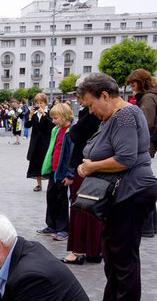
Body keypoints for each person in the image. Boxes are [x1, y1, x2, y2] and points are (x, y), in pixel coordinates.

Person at [76, 73, 157, 301]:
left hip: (132, 192)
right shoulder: (113, 116)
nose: (90, 111)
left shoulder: (124, 115)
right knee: (113, 254)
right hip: (123, 192)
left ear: (105, 96)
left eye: (91, 104)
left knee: (123, 256)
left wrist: (91, 167)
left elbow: (125, 158)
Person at [61, 97, 103, 264]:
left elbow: (76, 134)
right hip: (97, 166)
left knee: (80, 208)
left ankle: (78, 251)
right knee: (94, 209)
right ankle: (93, 250)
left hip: (85, 165)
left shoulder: (91, 113)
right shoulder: (107, 115)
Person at [127, 68, 157, 238]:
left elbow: (144, 124)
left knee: (142, 185)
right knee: (145, 183)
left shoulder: (148, 98)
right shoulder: (149, 96)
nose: (132, 88)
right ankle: (150, 226)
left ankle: (147, 226)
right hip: (147, 146)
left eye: (133, 84)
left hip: (144, 147)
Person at [38, 103, 74, 241]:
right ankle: (51, 225)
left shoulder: (70, 131)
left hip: (63, 171)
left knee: (62, 200)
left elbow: (71, 154)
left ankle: (63, 228)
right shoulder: (56, 130)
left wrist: (69, 174)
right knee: (51, 197)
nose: (53, 121)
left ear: (65, 117)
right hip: (54, 169)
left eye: (56, 118)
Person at [25, 93, 54, 192]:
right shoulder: (34, 115)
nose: (39, 104)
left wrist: (44, 114)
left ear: (45, 103)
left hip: (46, 141)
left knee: (47, 162)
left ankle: (51, 182)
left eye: (41, 102)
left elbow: (51, 125)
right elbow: (27, 125)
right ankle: (39, 184)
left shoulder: (50, 113)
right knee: (36, 163)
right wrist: (30, 115)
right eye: (37, 102)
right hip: (35, 142)